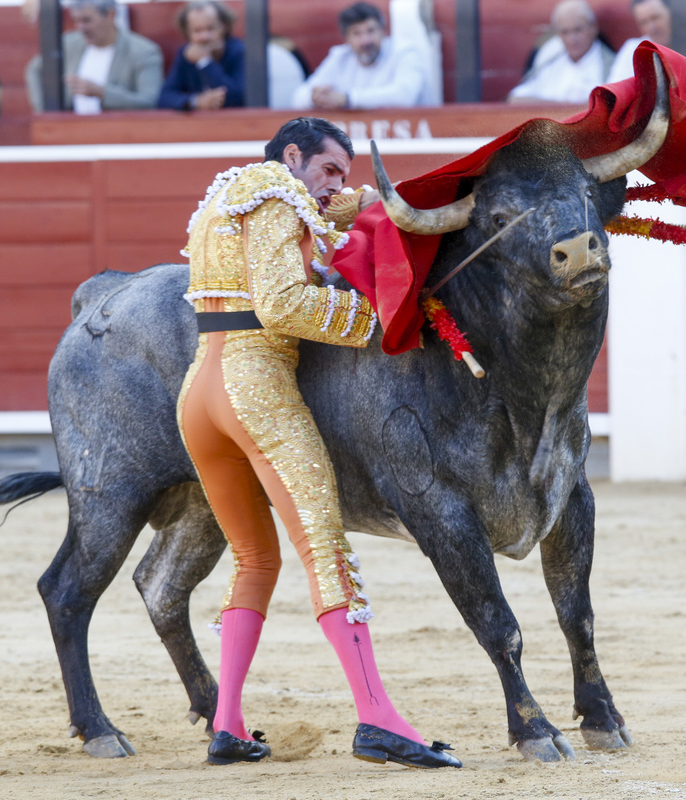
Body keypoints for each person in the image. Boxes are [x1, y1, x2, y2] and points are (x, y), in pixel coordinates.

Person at [178, 116, 462, 770]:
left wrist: (354, 204)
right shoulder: (278, 193)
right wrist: (377, 321)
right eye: (331, 169)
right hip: (256, 387)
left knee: (254, 559)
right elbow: (281, 304)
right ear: (294, 155)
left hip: (200, 394)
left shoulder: (224, 198)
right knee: (323, 549)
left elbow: (307, 232)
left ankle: (227, 724)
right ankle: (377, 719)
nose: (339, 182)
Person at [24, 0, 163, 114]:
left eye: (87, 20)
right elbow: (34, 69)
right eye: (76, 21)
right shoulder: (69, 43)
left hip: (119, 132)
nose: (81, 28)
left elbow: (149, 101)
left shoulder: (143, 51)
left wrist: (102, 93)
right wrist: (44, 109)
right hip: (69, 129)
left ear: (110, 14)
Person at [290, 2, 431, 110]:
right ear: (346, 38)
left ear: (383, 31)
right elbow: (298, 98)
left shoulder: (405, 53)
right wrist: (315, 97)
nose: (366, 41)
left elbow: (404, 96)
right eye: (357, 33)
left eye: (371, 31)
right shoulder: (340, 57)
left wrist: (347, 99)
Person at [607, 0, 686, 110]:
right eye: (643, 22)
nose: (651, 28)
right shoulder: (632, 48)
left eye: (656, 18)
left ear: (673, 14)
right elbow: (615, 93)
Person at [508, 0, 614, 105]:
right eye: (565, 32)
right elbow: (516, 98)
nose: (572, 39)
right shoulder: (550, 60)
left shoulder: (610, 65)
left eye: (578, 30)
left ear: (593, 28)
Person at [158, 0, 243, 111]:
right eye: (197, 31)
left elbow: (238, 98)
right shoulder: (185, 54)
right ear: (187, 32)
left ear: (224, 27)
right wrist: (196, 101)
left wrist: (205, 62)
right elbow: (164, 98)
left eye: (210, 29)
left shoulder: (240, 52)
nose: (204, 37)